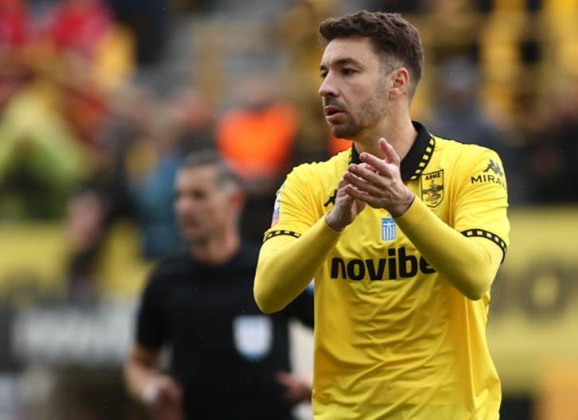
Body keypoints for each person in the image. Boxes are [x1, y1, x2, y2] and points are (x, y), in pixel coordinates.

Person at [254, 10, 509, 420]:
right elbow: (268, 293)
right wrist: (332, 224)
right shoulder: (308, 183)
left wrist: (404, 206)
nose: (326, 88)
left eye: (347, 71)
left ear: (397, 82)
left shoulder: (472, 166)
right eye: (324, 73)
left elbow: (477, 275)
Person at [124, 150, 314, 420]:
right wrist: (151, 391)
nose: (184, 207)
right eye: (179, 196)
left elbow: (337, 329)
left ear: (234, 201)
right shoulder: (165, 279)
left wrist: (315, 381)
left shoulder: (267, 269)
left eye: (198, 195)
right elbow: (138, 364)